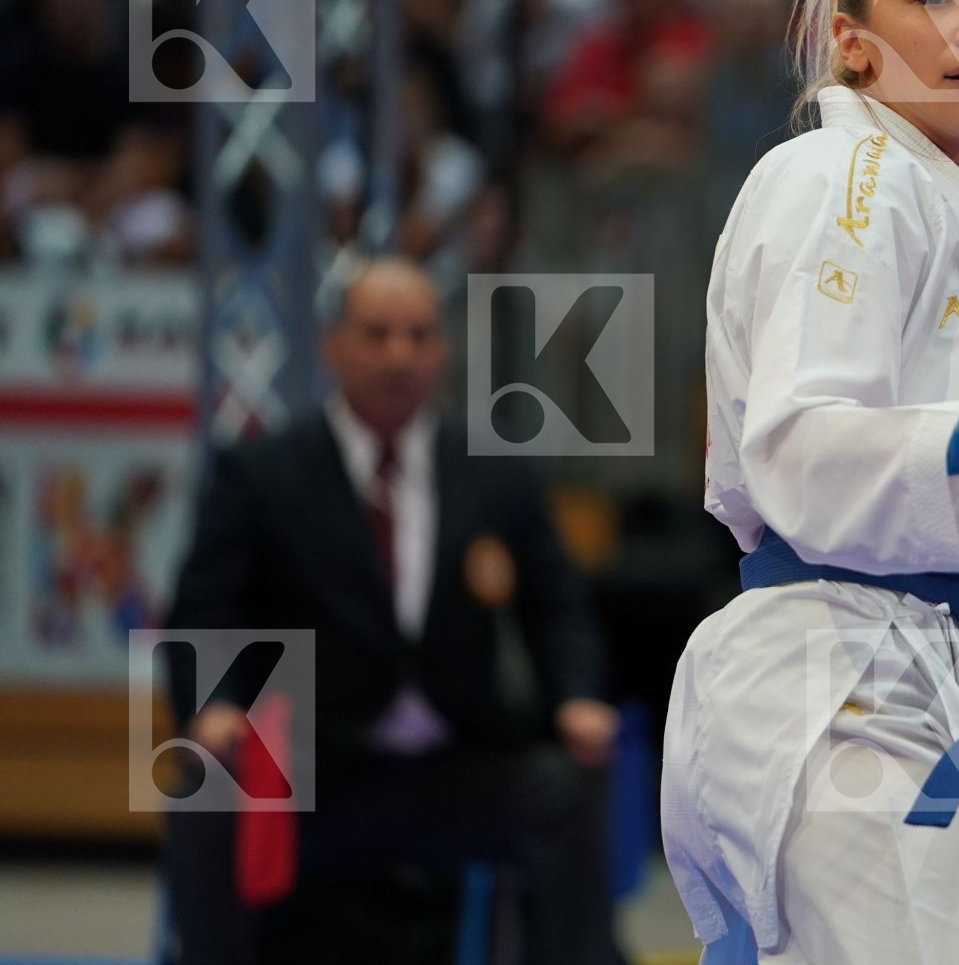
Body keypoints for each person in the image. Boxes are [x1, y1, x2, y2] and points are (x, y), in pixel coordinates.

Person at [660, 0, 959, 965]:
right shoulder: (844, 172)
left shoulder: (948, 204)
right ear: (853, 43)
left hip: (914, 671)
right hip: (845, 670)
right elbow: (801, 443)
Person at [163, 258, 628, 965]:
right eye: (376, 334)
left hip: (455, 761)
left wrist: (576, 698)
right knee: (203, 784)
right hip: (313, 765)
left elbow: (557, 603)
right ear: (332, 345)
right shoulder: (263, 473)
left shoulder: (494, 473)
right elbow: (203, 608)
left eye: (417, 335)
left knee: (566, 791)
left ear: (442, 349)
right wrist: (215, 705)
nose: (398, 355)